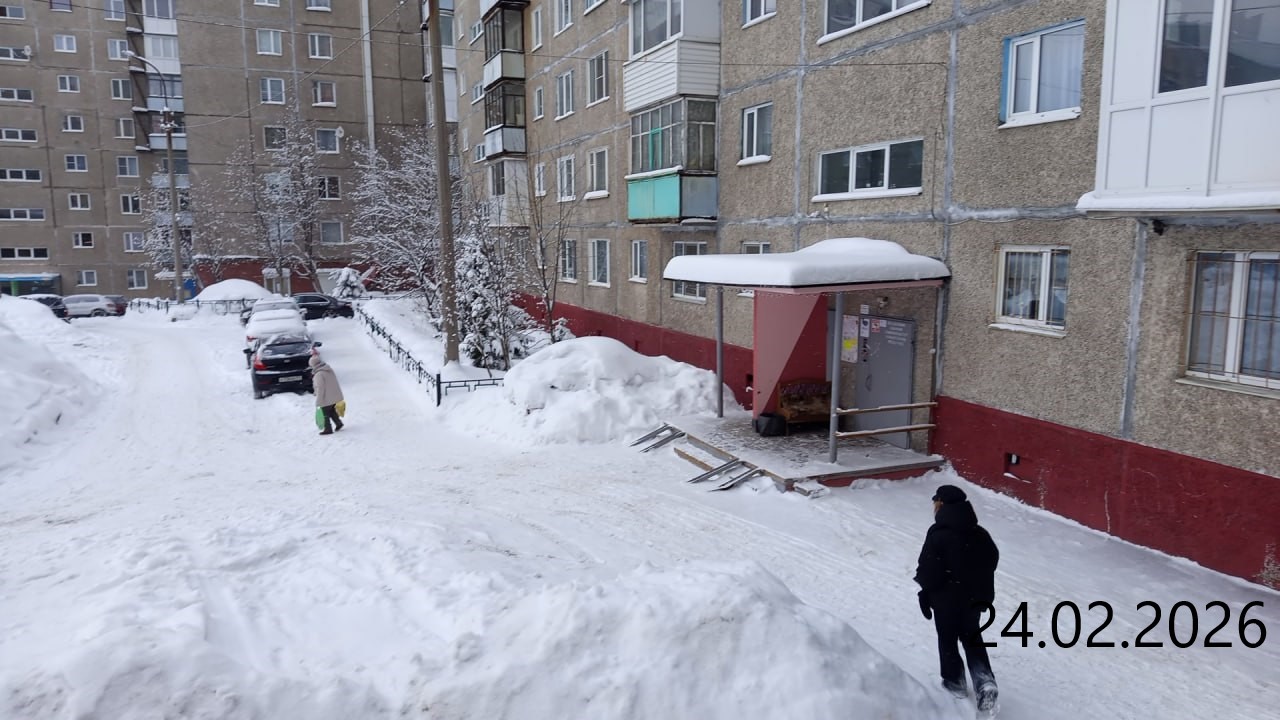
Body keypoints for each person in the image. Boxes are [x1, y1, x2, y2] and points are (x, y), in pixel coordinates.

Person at [914, 484, 1000, 712]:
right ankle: (985, 681)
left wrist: (925, 590)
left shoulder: (938, 535)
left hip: (946, 600)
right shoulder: (980, 533)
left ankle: (955, 681)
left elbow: (928, 569)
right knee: (972, 637)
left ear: (941, 504)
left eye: (936, 502)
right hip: (974, 599)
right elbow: (992, 560)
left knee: (948, 638)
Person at [309, 353, 344, 435]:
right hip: (334, 396)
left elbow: (320, 388)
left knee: (324, 413)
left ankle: (328, 429)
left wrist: (319, 401)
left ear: (313, 365)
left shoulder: (318, 374)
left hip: (326, 397)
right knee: (331, 411)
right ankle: (338, 423)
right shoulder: (328, 369)